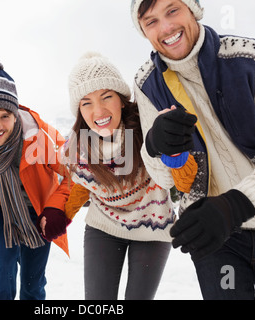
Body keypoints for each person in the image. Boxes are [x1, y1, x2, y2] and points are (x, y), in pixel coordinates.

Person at [131, 0, 255, 299]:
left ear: (193, 10)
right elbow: (165, 178)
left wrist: (233, 206)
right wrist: (156, 147)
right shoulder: (147, 83)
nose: (166, 27)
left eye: (173, 11)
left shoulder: (253, 57)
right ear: (144, 32)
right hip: (212, 236)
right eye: (151, 21)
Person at [49, 52, 194, 300]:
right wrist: (61, 215)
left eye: (107, 97)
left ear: (122, 100)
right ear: (79, 111)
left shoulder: (148, 128)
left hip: (153, 225)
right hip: (104, 225)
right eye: (86, 103)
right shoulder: (80, 147)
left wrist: (174, 151)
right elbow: (84, 186)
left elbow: (184, 182)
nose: (99, 110)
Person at [0, 61, 72, 300]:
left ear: (15, 114)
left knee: (33, 279)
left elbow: (74, 173)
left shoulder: (40, 137)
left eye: (5, 116)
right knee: (2, 258)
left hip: (37, 208)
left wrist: (57, 207)